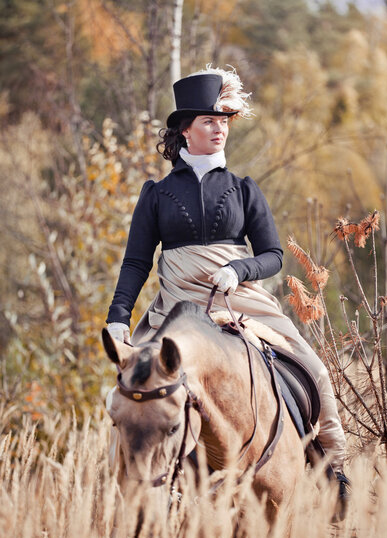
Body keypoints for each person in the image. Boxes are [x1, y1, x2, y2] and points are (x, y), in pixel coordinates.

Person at [106, 65, 349, 497]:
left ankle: (334, 470)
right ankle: (127, 481)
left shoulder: (244, 189)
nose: (219, 130)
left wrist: (239, 269)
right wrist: (119, 317)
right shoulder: (156, 195)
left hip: (239, 302)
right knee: (133, 389)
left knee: (316, 370)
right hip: (178, 307)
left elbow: (273, 256)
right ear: (186, 131)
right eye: (209, 122)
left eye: (223, 123)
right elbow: (135, 263)